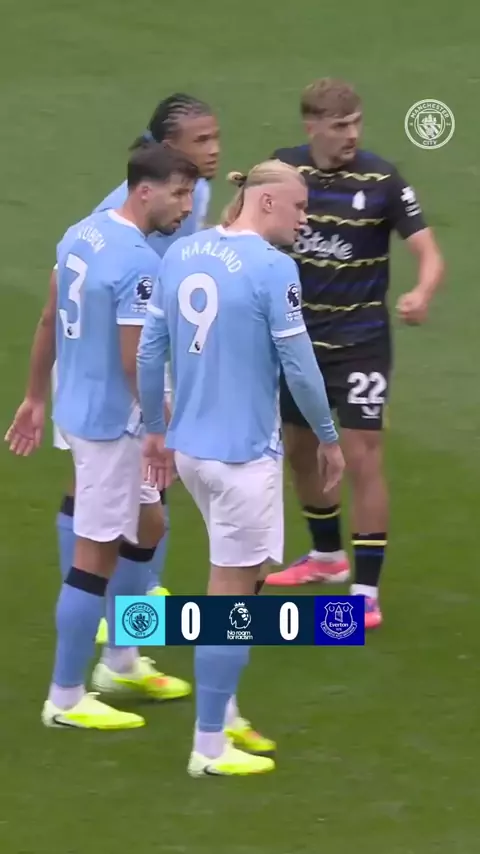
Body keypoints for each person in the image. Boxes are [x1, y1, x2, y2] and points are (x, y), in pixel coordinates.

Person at [137, 159, 345, 776]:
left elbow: (150, 351)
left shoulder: (183, 251)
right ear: (268, 202)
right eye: (300, 208)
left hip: (192, 451)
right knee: (232, 602)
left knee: (249, 575)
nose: (305, 221)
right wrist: (328, 437)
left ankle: (223, 711)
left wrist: (155, 432)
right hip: (242, 457)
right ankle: (209, 747)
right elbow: (300, 367)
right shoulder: (274, 269)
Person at [7, 94, 220, 669]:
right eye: (201, 140)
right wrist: (160, 421)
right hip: (110, 399)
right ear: (156, 171)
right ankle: (73, 683)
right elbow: (127, 349)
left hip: (94, 386)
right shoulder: (134, 239)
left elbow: (53, 309)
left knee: (149, 520)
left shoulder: (99, 226)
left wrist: (35, 396)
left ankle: (126, 638)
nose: (214, 149)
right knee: (97, 542)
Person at [263, 78, 445, 630]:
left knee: (362, 455)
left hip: (361, 343)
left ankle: (365, 593)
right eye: (340, 126)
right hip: (297, 341)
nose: (352, 135)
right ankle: (326, 556)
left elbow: (429, 251)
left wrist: (422, 292)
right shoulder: (283, 170)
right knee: (300, 448)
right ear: (312, 125)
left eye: (356, 123)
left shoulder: (383, 180)